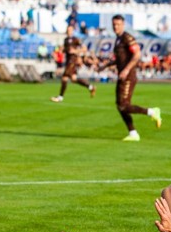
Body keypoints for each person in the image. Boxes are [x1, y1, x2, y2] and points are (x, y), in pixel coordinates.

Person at [97, 14, 162, 142]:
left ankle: (152, 112)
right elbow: (120, 59)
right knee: (120, 105)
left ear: (123, 25)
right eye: (114, 24)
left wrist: (126, 69)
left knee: (124, 106)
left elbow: (137, 54)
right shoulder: (118, 39)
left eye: (118, 24)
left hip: (128, 75)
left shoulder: (127, 38)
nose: (116, 27)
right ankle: (133, 133)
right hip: (122, 75)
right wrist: (106, 66)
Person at [51, 25, 96, 102]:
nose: (69, 31)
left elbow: (84, 49)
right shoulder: (66, 40)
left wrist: (75, 51)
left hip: (73, 61)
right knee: (74, 79)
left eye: (70, 30)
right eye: (68, 30)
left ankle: (60, 97)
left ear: (72, 31)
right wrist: (61, 50)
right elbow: (66, 50)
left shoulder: (75, 39)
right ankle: (91, 87)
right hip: (68, 61)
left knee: (64, 78)